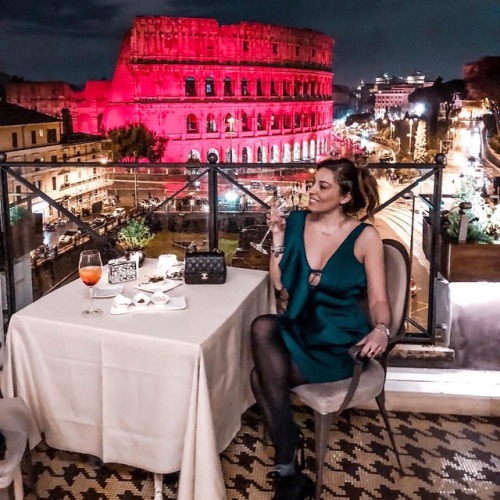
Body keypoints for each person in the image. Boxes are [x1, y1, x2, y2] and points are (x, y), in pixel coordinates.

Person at [250, 158, 391, 499]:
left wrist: (382, 329)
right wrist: (280, 236)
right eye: (313, 183)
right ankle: (290, 461)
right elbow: (281, 284)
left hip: (339, 342)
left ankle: (288, 464)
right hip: (300, 328)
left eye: (322, 186)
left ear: (344, 196)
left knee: (259, 376)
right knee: (262, 326)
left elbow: (378, 299)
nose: (311, 191)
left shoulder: (364, 236)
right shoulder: (296, 222)